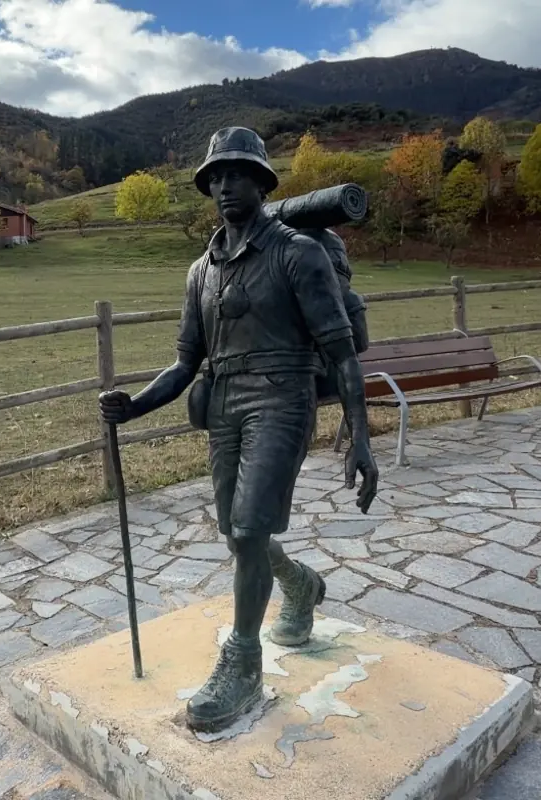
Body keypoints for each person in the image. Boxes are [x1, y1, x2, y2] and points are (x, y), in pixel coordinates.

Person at [99, 127, 379, 733]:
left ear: (262, 181)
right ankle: (300, 585)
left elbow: (342, 353)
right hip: (222, 403)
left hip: (281, 400)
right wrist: (136, 406)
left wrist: (360, 434)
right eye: (215, 176)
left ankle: (243, 663)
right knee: (235, 533)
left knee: (250, 528)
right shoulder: (200, 270)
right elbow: (184, 362)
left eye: (238, 173)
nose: (225, 184)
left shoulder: (296, 253)